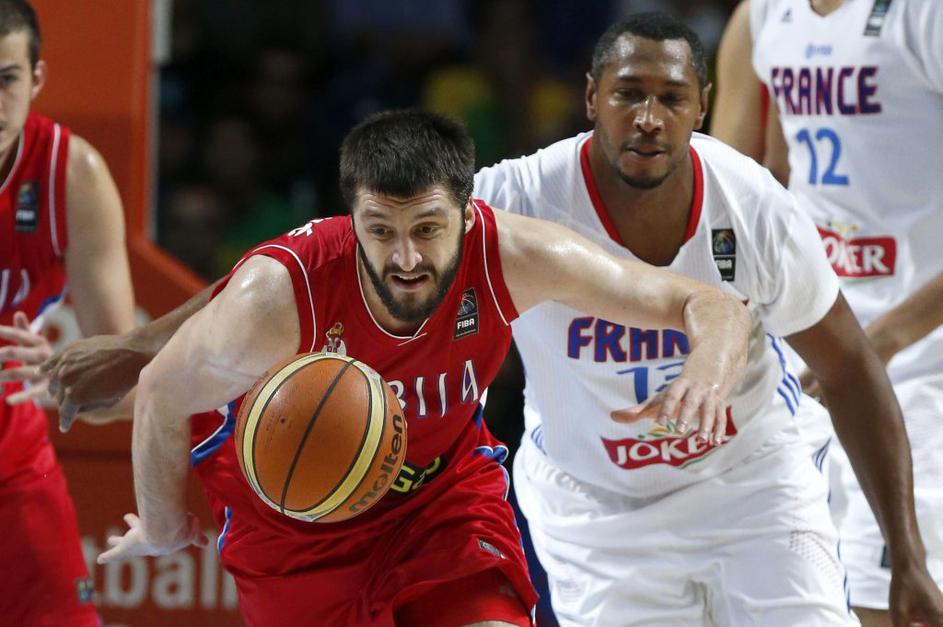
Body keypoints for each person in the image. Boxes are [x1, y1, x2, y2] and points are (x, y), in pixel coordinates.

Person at [79, 109, 751, 627]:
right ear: (352, 219)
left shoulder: (511, 255)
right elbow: (161, 389)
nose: (405, 258)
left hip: (440, 500)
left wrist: (705, 371)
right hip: (295, 527)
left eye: (428, 228)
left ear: (467, 214)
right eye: (380, 230)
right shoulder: (279, 295)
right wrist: (163, 527)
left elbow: (707, 302)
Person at [474, 13, 942, 627]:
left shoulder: (753, 204)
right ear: (591, 97)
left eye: (671, 98)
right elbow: (396, 261)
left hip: (753, 486)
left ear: (702, 108)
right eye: (628, 93)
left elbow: (850, 367)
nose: (649, 117)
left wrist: (908, 558)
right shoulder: (515, 199)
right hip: (597, 511)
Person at [712, 2, 943, 625]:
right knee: (800, 594)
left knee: (893, 599)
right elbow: (735, 191)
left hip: (922, 359)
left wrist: (883, 340)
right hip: (809, 351)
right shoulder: (761, 17)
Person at [0, 1, 136, 625]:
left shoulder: (72, 175)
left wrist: (61, 373)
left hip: (12, 461)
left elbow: (124, 377)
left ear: (36, 78)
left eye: (5, 78)